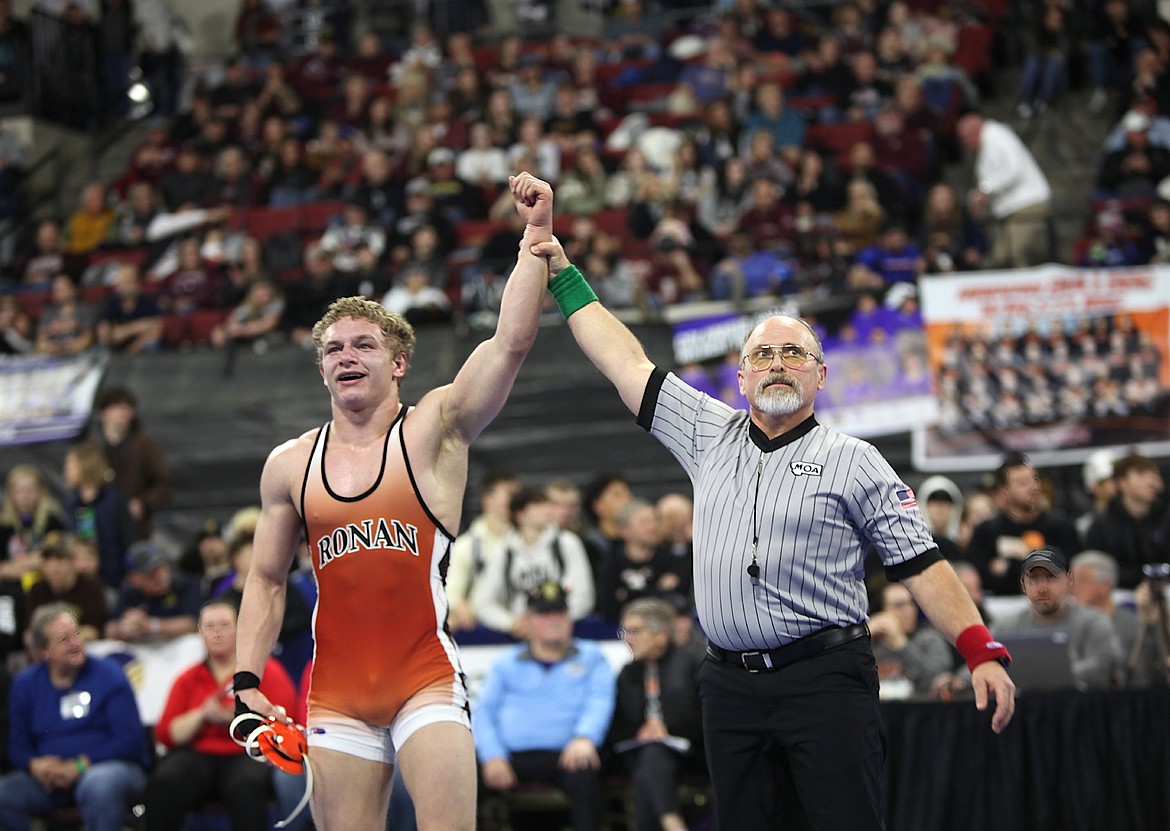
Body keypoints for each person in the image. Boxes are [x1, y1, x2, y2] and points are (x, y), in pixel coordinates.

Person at [524, 228, 1015, 830]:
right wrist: (563, 273)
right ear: (739, 377)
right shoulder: (707, 432)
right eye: (761, 355)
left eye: (794, 355)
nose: (777, 365)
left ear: (821, 375)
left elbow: (920, 562)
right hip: (729, 686)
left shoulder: (855, 459)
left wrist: (979, 649)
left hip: (826, 682)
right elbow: (625, 360)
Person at [233, 172, 556, 831]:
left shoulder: (433, 429)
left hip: (425, 681)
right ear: (320, 368)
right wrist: (245, 679)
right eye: (333, 348)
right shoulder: (290, 464)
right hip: (337, 694)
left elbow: (509, 343)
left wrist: (536, 238)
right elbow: (265, 578)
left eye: (364, 344)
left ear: (399, 361)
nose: (347, 356)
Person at [144, 599, 306, 831]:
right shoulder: (187, 678)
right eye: (210, 627)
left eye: (224, 626)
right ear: (200, 632)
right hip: (198, 755)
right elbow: (167, 734)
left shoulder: (267, 672)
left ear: (240, 630)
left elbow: (287, 723)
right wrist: (203, 714)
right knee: (164, 781)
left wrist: (240, 718)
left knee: (247, 786)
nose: (217, 634)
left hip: (247, 755)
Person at [473, 582, 615, 831]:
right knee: (463, 778)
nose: (554, 620)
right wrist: (492, 756)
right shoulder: (506, 662)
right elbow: (484, 712)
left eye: (559, 613)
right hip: (511, 756)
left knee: (587, 773)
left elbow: (600, 699)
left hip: (568, 755)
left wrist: (585, 737)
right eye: (544, 614)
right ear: (528, 621)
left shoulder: (591, 656)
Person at [0, 604, 150, 831]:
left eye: (77, 634)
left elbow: (130, 740)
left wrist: (79, 765)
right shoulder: (25, 684)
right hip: (49, 780)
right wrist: (36, 765)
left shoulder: (109, 674)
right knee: (4, 795)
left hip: (111, 768)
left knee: (98, 785)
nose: (76, 644)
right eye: (64, 639)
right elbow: (17, 747)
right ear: (44, 651)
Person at [608, 597, 706, 831]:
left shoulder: (692, 662)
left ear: (661, 634)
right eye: (625, 632)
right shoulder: (628, 673)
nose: (628, 639)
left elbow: (704, 715)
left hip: (693, 750)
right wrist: (642, 731)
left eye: (635, 631)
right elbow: (617, 724)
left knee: (648, 766)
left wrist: (667, 729)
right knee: (649, 759)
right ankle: (672, 823)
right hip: (646, 754)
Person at [471, 486, 595, 637]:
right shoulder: (504, 551)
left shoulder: (567, 543)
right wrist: (510, 623)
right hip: (520, 634)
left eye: (547, 504)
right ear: (520, 515)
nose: (547, 510)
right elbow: (483, 602)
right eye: (538, 505)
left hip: (563, 631)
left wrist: (554, 622)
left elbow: (584, 596)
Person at [995, 548, 1120, 691]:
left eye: (1051, 577)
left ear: (1069, 581)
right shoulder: (1006, 627)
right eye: (1034, 578)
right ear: (1023, 585)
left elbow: (1102, 666)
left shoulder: (1093, 621)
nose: (1042, 588)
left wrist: (1037, 675)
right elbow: (984, 663)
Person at [965, 453, 1082, 597]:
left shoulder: (1061, 528)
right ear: (1004, 491)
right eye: (1022, 483)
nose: (1033, 487)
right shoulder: (986, 532)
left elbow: (1070, 573)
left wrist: (1008, 567)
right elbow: (982, 579)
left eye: (1034, 480)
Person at [956, 111, 1052, 269]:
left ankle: (1026, 291)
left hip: (1027, 206)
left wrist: (985, 190)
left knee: (1016, 254)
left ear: (973, 130)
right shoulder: (988, 144)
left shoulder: (997, 135)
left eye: (964, 137)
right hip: (1012, 211)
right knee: (1001, 259)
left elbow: (1013, 169)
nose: (964, 143)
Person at [1070, 549, 1168, 687]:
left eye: (1082, 580)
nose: (1073, 587)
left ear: (1105, 584)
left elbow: (1150, 669)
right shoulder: (1069, 624)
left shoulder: (1133, 624)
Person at [92, 385, 174, 541]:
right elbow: (78, 487)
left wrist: (142, 503)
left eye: (128, 408)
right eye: (117, 407)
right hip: (97, 530)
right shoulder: (91, 448)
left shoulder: (144, 445)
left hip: (134, 529)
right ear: (103, 413)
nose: (123, 412)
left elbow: (164, 484)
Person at [445, 471, 520, 632]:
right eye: (510, 495)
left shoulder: (525, 541)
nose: (516, 502)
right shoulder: (467, 545)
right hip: (481, 632)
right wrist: (458, 604)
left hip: (524, 627)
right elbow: (450, 591)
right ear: (488, 500)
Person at [1084, 453, 1170, 589]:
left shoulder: (1165, 517)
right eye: (1141, 475)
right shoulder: (1102, 525)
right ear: (1122, 483)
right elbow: (1097, 571)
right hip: (1118, 594)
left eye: (1154, 475)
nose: (1151, 482)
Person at [868, 580, 954, 697]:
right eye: (899, 605)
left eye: (911, 603)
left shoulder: (930, 639)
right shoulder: (871, 644)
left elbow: (937, 683)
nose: (909, 611)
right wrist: (864, 640)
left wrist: (902, 645)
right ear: (880, 612)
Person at [104, 540, 200, 643]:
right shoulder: (130, 592)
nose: (162, 576)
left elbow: (192, 624)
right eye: (152, 572)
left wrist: (151, 626)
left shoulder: (184, 583)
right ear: (134, 579)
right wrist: (123, 629)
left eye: (162, 568)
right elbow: (109, 629)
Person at [24, 534, 108, 641]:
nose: (54, 568)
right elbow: (29, 634)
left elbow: (94, 631)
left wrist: (59, 640)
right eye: (48, 561)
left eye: (60, 560)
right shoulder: (36, 590)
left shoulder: (91, 586)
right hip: (47, 652)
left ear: (73, 562)